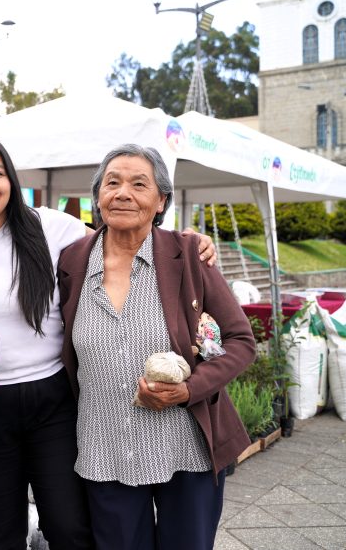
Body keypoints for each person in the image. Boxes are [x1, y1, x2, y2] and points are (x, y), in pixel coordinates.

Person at [0, 134, 218, 549]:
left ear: (11, 180)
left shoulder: (50, 226)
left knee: (70, 528)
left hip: (52, 403)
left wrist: (188, 241)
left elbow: (124, 234)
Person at [57, 144, 255, 549]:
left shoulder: (189, 255)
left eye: (139, 184)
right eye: (112, 183)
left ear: (161, 200)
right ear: (98, 196)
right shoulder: (71, 262)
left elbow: (241, 342)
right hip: (105, 447)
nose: (122, 193)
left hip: (185, 448)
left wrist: (188, 389)